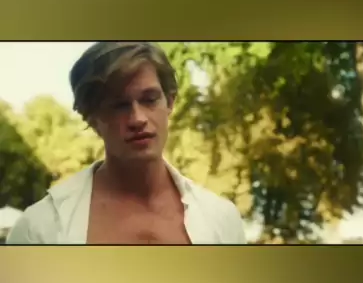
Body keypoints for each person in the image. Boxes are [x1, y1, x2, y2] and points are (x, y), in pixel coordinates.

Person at [7, 41, 246, 245]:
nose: (138, 119)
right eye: (119, 105)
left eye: (149, 100)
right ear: (92, 118)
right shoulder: (39, 229)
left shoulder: (220, 220)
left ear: (170, 102)